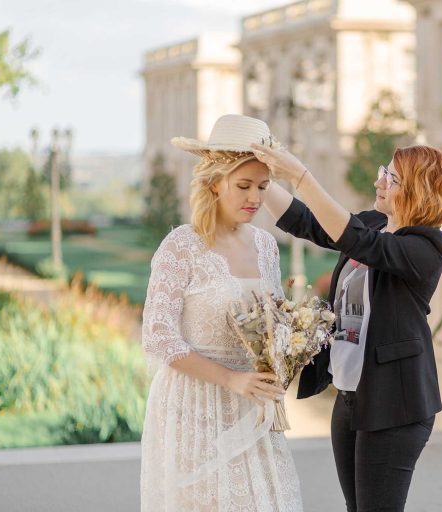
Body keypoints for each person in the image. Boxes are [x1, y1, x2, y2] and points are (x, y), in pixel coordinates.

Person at [253, 142, 442, 512]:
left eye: (391, 178)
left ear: (416, 190)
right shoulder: (378, 222)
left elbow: (357, 240)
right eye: (384, 170)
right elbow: (311, 222)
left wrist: (301, 174)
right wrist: (259, 180)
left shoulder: (427, 246)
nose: (379, 181)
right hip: (352, 398)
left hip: (396, 405)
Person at [140, 115, 303, 512]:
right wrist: (232, 379)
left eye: (263, 187)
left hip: (253, 404)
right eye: (243, 185)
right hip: (194, 405)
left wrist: (285, 357)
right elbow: (159, 336)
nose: (255, 198)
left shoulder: (266, 246)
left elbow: (273, 326)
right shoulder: (182, 246)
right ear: (215, 182)